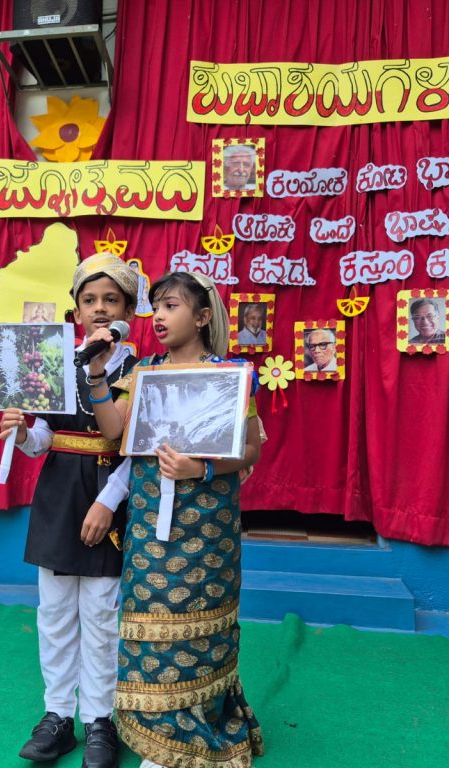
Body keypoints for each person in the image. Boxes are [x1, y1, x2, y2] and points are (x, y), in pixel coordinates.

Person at [81, 271, 264, 768]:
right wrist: (97, 373)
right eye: (156, 307)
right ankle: (157, 734)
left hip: (207, 527)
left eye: (171, 306)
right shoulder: (143, 371)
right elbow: (114, 431)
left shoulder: (231, 374)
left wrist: (198, 468)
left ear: (202, 317)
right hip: (148, 525)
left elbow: (250, 449)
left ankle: (197, 727)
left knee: (200, 628)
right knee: (148, 619)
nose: (158, 317)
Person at [0, 253, 140, 768]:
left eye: (111, 300)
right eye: (90, 300)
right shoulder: (54, 361)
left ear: (128, 310)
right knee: (55, 614)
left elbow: (138, 449)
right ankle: (57, 715)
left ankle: (100, 720)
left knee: (101, 615)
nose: (100, 308)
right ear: (76, 310)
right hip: (58, 497)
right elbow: (45, 439)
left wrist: (107, 502)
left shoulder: (142, 370)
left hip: (108, 497)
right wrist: (22, 432)